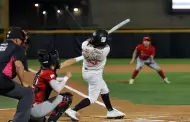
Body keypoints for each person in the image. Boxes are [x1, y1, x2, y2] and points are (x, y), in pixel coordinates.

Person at [61, 30, 125, 121]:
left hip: (87, 72)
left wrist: (97, 37)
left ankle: (110, 111)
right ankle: (73, 110)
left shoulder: (84, 45)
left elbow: (89, 40)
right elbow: (103, 44)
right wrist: (102, 38)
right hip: (95, 75)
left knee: (104, 89)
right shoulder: (105, 50)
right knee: (92, 98)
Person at [0, 27, 34, 122]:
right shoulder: (17, 48)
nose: (22, 42)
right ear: (16, 39)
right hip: (2, 81)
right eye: (21, 40)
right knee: (27, 93)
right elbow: (18, 65)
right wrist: (23, 82)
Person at [29, 49, 73, 122]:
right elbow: (58, 89)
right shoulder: (48, 73)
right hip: (36, 110)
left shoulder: (42, 71)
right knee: (66, 98)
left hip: (31, 109)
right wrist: (66, 77)